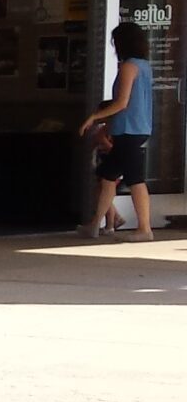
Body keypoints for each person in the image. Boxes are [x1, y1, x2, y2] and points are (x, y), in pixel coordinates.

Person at [74, 21, 157, 243]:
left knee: (135, 179)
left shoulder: (129, 67)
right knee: (108, 177)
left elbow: (122, 102)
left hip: (130, 130)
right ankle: (95, 224)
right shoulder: (144, 66)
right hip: (132, 128)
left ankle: (144, 228)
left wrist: (95, 117)